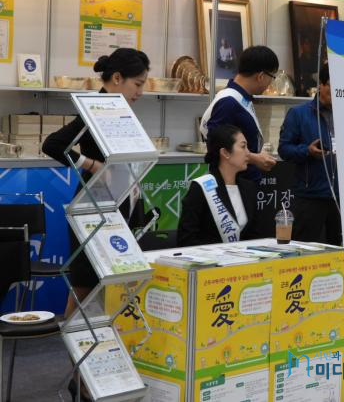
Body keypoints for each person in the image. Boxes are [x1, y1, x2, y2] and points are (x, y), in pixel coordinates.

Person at [42, 48, 151, 316]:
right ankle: (73, 339)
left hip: (120, 202)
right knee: (85, 285)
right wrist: (91, 164)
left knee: (112, 284)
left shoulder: (120, 108)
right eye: (137, 84)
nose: (141, 92)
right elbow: (52, 144)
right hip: (95, 205)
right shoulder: (96, 108)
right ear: (117, 78)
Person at [278, 63, 342, 245]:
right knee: (304, 250)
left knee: (339, 251)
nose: (337, 91)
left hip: (343, 197)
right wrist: (307, 151)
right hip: (310, 195)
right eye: (332, 85)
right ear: (320, 84)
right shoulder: (298, 114)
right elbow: (284, 149)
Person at [199, 45, 278, 183]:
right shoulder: (229, 102)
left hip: (244, 182)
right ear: (261, 76)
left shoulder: (242, 98)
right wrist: (254, 158)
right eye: (272, 77)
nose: (270, 83)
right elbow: (217, 146)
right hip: (234, 183)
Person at [177, 124, 261, 246]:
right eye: (243, 147)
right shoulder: (201, 188)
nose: (248, 153)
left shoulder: (249, 188)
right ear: (225, 153)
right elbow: (186, 239)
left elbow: (256, 236)